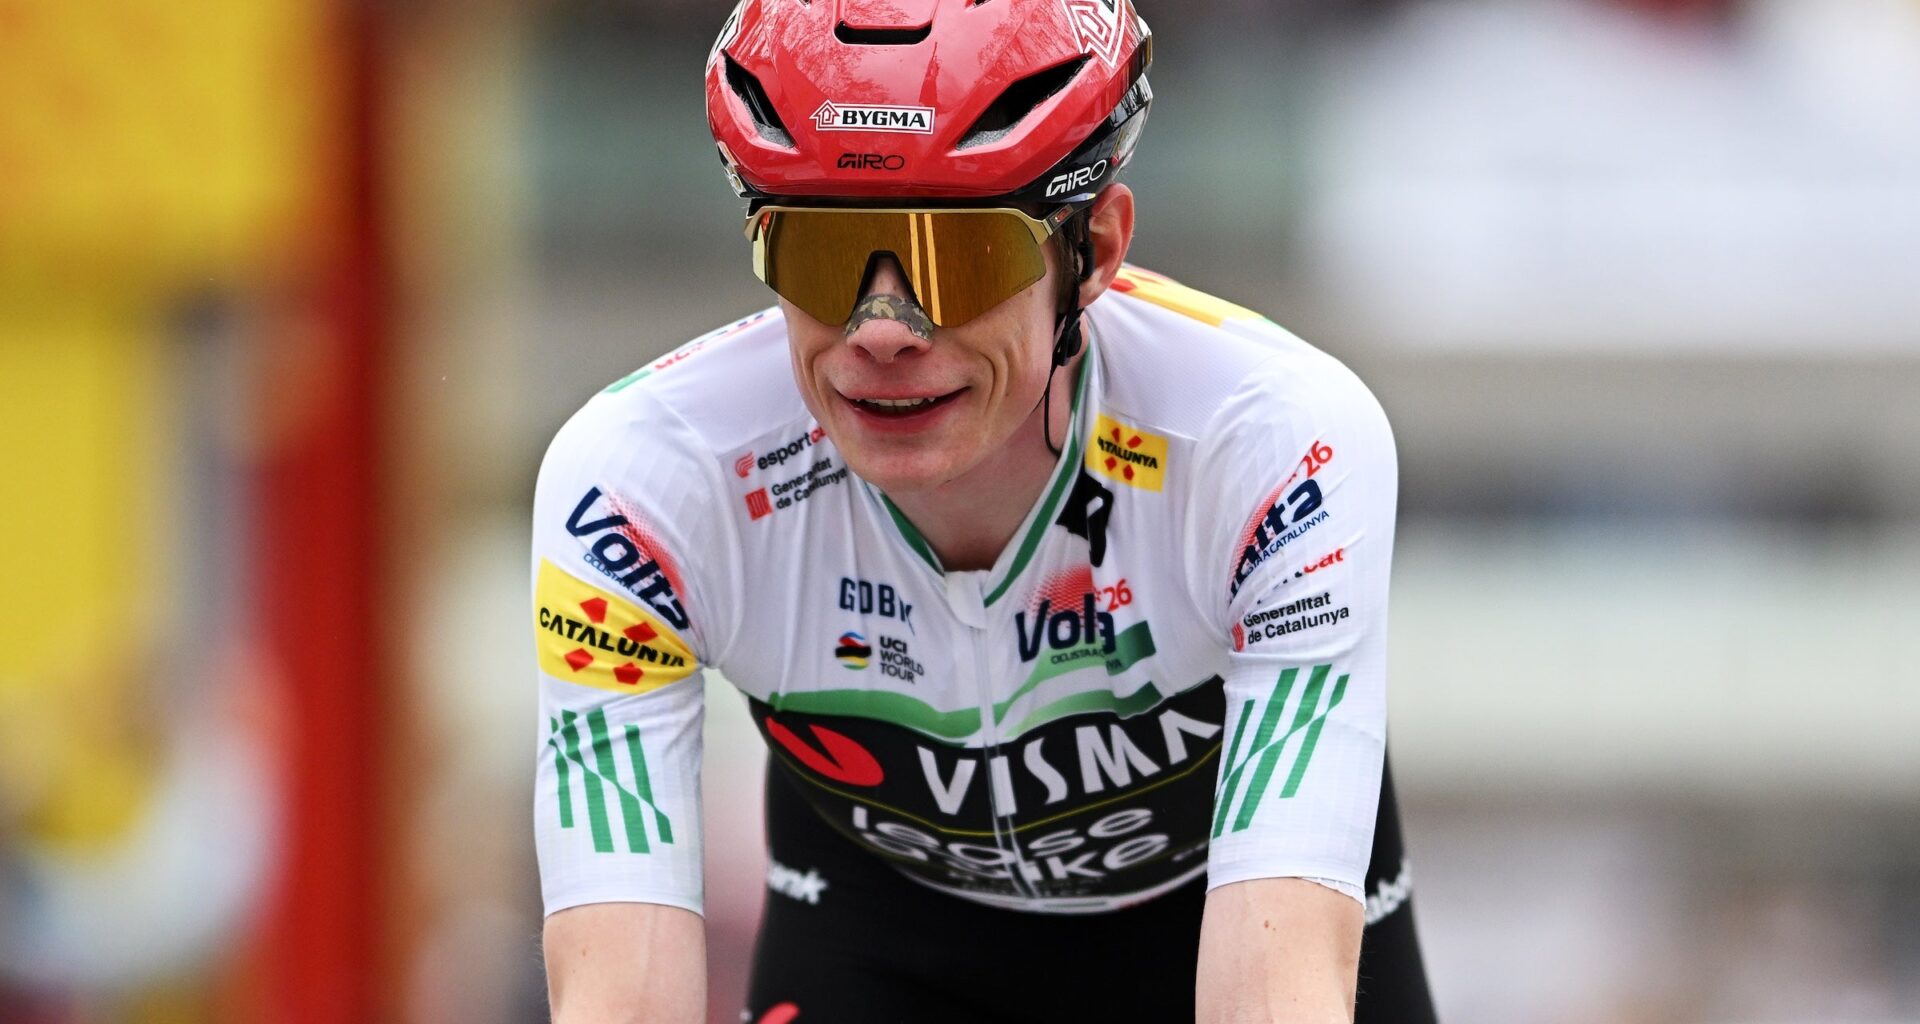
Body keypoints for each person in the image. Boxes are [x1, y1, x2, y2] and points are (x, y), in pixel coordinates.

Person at [533, 1, 1436, 1020]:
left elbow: (1276, 997)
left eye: (956, 259)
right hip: (882, 933)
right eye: (824, 259)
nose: (884, 330)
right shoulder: (644, 487)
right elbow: (616, 997)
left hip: (1217, 915)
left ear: (1093, 249)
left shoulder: (1273, 443)